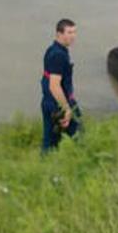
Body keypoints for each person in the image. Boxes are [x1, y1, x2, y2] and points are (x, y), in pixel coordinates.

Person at [40, 19, 81, 152]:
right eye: (69, 32)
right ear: (59, 34)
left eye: (74, 32)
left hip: (49, 101)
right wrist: (67, 109)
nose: (73, 36)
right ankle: (84, 161)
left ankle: (48, 164)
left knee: (50, 140)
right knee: (78, 134)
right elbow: (54, 86)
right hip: (57, 104)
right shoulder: (58, 55)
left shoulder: (52, 50)